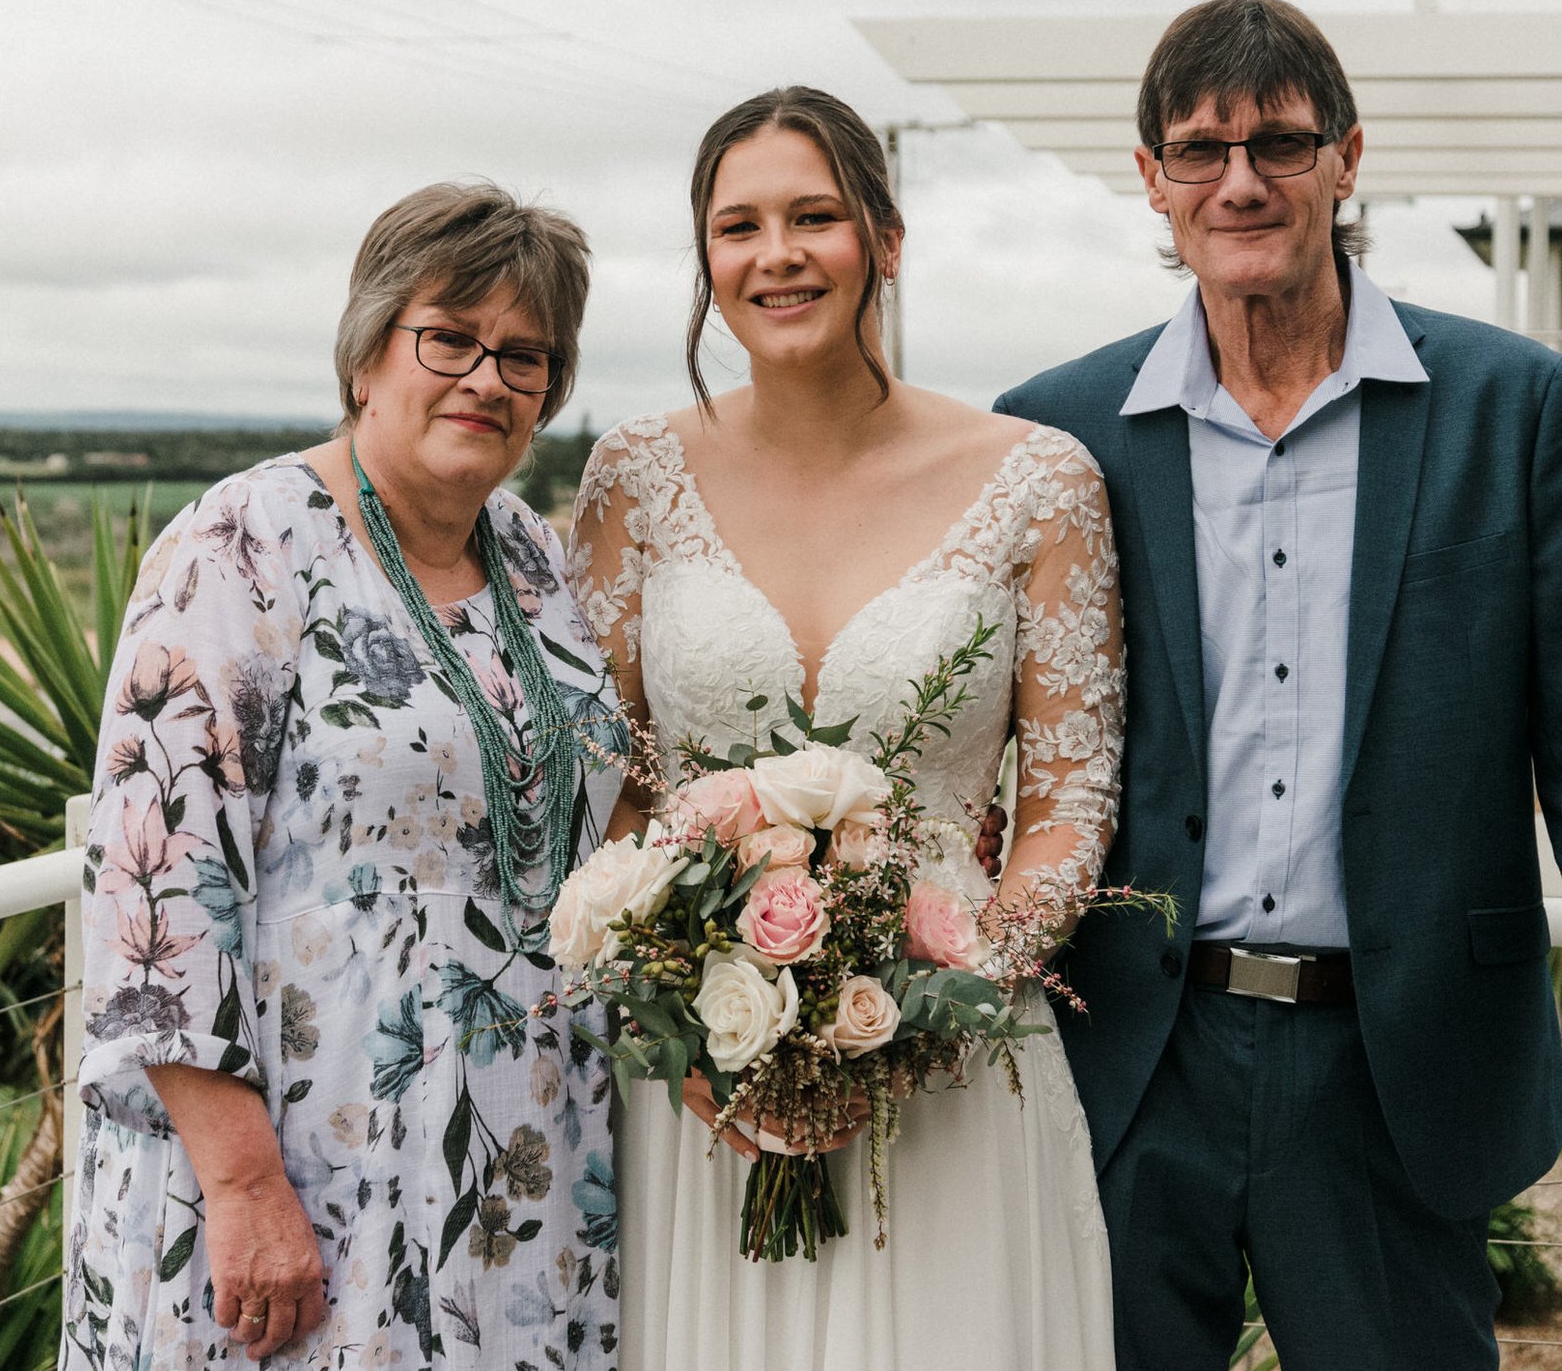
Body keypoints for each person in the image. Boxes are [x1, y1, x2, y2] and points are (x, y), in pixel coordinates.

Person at [996, 0, 1562, 1368]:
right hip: (1137, 1058)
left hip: (1399, 1065)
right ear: (1150, 178)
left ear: (1348, 156)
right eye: (1201, 149)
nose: (1242, 181)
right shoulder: (1057, 431)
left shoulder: (1513, 408)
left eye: (1280, 141)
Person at [568, 86, 1119, 1370]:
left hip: (951, 1062)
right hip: (704, 1077)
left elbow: (1069, 804)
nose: (777, 254)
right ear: (706, 259)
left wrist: (944, 1000)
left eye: (813, 216)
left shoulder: (1038, 480)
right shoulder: (631, 477)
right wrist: (682, 1009)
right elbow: (614, 793)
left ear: (885, 234)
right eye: (738, 225)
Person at [60, 182, 630, 1369]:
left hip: (511, 1156)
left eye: (526, 356)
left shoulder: (527, 553)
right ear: (368, 352)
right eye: (451, 338)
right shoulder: (242, 545)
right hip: (301, 1157)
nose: (488, 377)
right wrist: (243, 1183)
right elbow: (158, 893)